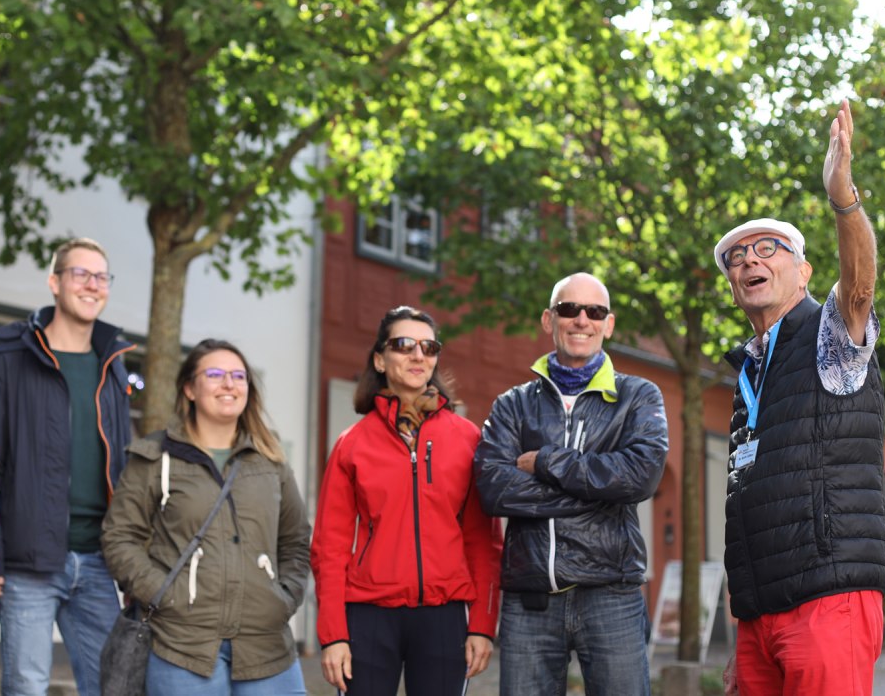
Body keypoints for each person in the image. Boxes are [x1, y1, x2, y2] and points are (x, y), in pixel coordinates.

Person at [715, 99, 885, 696]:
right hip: (760, 614)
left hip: (827, 597)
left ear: (805, 271)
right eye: (736, 259)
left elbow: (861, 284)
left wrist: (843, 198)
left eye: (768, 250)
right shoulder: (748, 370)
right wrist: (747, 629)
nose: (748, 262)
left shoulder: (828, 335)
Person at [475, 273, 669, 696]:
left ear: (608, 324)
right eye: (569, 309)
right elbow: (493, 488)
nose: (582, 319)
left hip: (612, 596)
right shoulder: (513, 404)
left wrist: (547, 461)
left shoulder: (638, 397)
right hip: (530, 602)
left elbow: (640, 476)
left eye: (594, 311)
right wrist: (599, 492)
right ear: (549, 320)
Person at [311, 306, 503, 696]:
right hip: (368, 614)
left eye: (429, 347)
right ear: (380, 359)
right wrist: (333, 635)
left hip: (444, 616)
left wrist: (482, 625)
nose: (418, 356)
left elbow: (484, 542)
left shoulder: (468, 439)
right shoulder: (352, 444)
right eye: (404, 345)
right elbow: (328, 548)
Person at [102, 339, 311, 695]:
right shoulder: (155, 457)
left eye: (238, 376)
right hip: (183, 645)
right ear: (189, 388)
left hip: (266, 644)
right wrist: (162, 595)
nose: (228, 384)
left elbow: (295, 540)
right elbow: (120, 538)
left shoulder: (270, 461)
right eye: (214, 374)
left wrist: (284, 598)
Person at [0, 237, 135, 696]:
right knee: (26, 686)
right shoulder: (12, 357)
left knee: (114, 685)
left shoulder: (112, 364)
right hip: (28, 560)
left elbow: (124, 468)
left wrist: (130, 561)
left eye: (101, 276)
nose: (92, 284)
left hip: (98, 560)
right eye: (80, 274)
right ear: (54, 282)